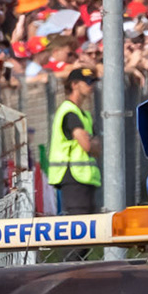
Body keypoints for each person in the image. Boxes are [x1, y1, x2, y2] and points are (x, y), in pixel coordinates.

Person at [45, 66, 102, 216]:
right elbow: (88, 145)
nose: (92, 85)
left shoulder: (84, 115)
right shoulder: (69, 111)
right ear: (74, 84)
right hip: (73, 175)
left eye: (93, 81)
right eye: (88, 81)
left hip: (84, 176)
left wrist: (91, 142)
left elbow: (97, 148)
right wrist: (91, 141)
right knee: (79, 222)